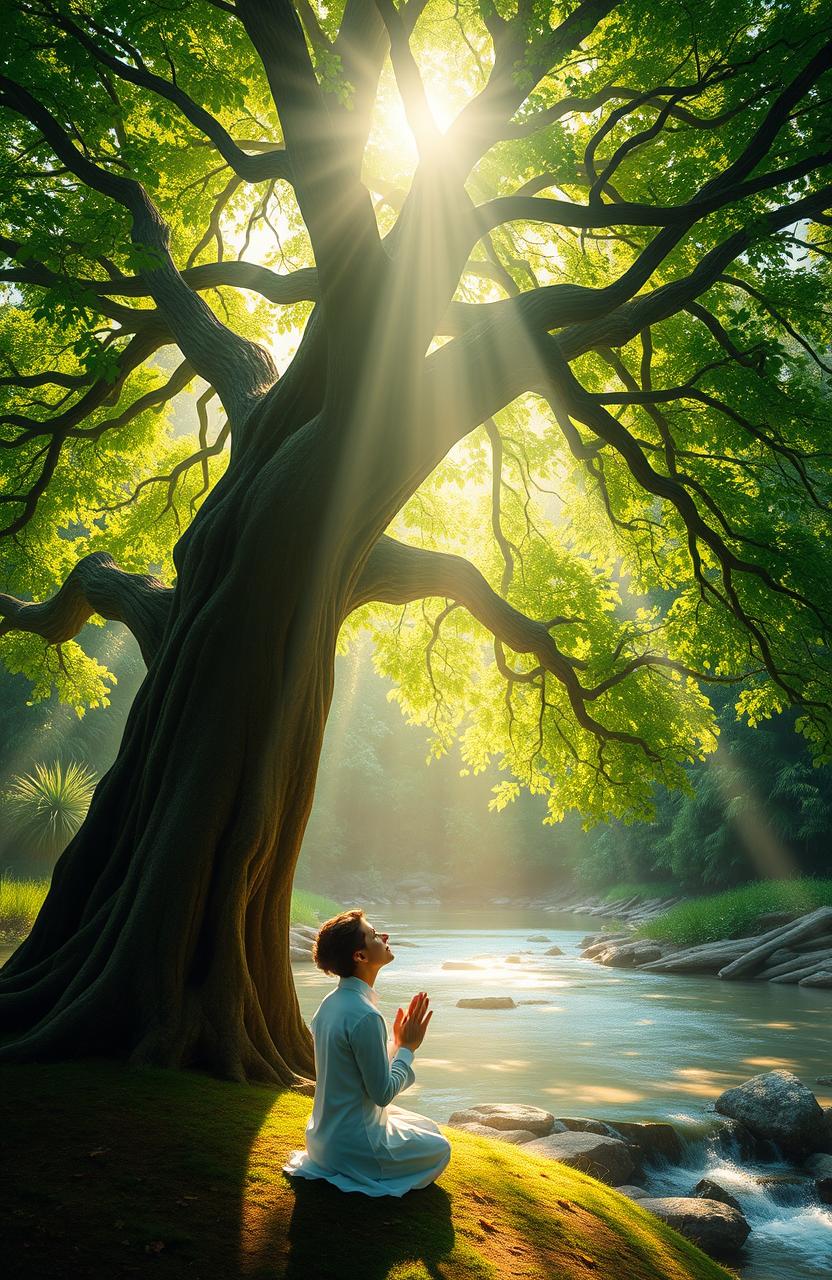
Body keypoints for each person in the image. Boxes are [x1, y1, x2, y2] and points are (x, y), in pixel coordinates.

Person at [283, 908, 451, 1196]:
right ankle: (367, 1169)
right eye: (374, 935)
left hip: (321, 1141)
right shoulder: (365, 1015)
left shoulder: (331, 1003)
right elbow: (382, 1094)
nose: (384, 937)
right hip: (352, 1149)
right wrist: (408, 1050)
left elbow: (355, 1065)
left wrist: (396, 1043)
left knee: (428, 1127)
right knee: (441, 1148)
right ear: (360, 956)